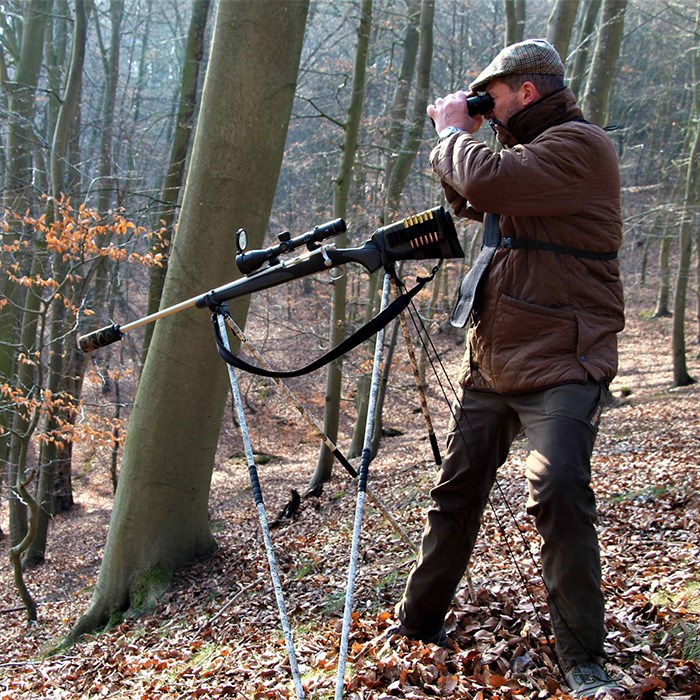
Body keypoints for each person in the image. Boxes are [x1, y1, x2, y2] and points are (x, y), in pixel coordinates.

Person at [392, 39, 625, 699]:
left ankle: (584, 661)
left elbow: (489, 180)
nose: (483, 106)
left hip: (565, 360)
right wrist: (461, 146)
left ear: (526, 89)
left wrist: (449, 131)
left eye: (490, 94)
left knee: (558, 495)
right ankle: (416, 625)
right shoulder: (530, 156)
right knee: (455, 496)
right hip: (494, 359)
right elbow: (478, 198)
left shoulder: (581, 147)